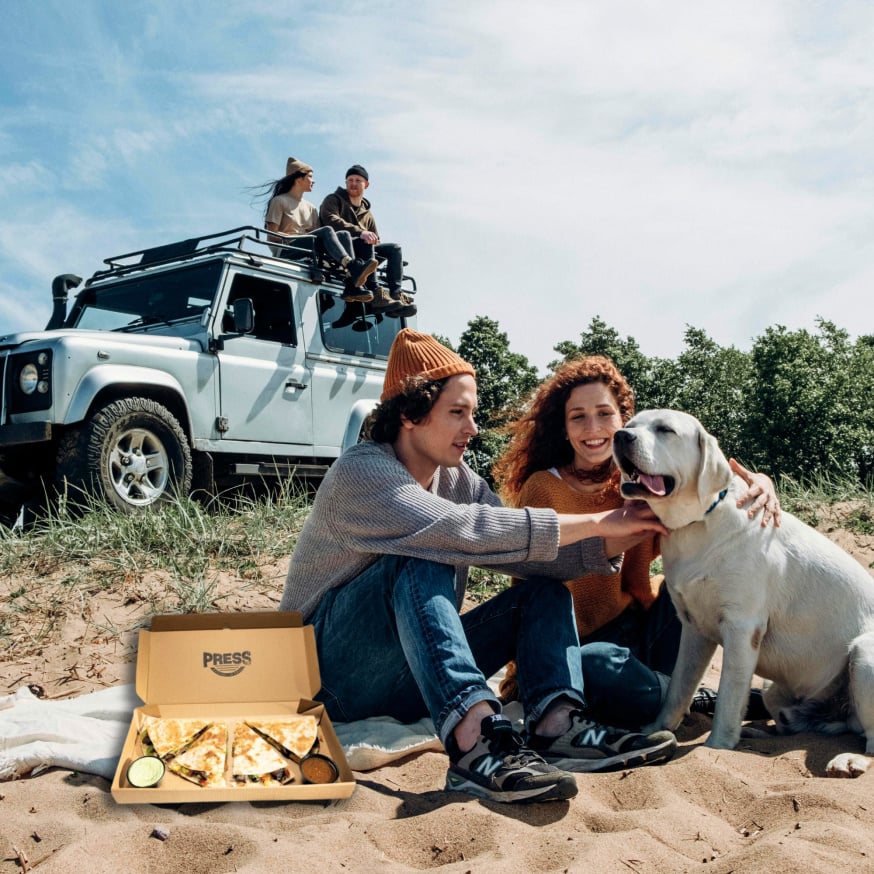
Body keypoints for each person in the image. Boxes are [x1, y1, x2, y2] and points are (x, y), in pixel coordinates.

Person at [279, 330, 678, 804]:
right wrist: (595, 521)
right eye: (457, 413)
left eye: (472, 413)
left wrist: (612, 538)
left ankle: (557, 725)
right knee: (421, 555)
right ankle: (475, 744)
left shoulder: (458, 479)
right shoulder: (362, 471)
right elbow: (460, 529)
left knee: (544, 588)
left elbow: (521, 549)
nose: (472, 428)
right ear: (409, 414)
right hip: (331, 680)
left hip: (410, 680)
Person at [493, 356, 780, 728]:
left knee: (688, 595)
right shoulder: (544, 487)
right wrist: (607, 528)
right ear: (563, 429)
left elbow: (709, 487)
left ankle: (667, 693)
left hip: (639, 635)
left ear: (624, 423)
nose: (593, 427)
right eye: (578, 417)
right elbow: (545, 571)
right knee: (596, 664)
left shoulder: (644, 482)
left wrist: (761, 481)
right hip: (571, 650)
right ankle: (691, 698)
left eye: (604, 414)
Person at [264, 157, 378, 303]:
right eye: (310, 177)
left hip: (309, 251)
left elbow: (320, 237)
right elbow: (271, 236)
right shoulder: (279, 201)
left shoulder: (310, 208)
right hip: (286, 250)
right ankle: (351, 266)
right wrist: (297, 238)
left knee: (342, 234)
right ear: (298, 180)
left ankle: (351, 283)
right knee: (327, 230)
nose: (313, 181)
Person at [319, 164, 417, 317]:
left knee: (394, 248)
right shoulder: (333, 199)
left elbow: (375, 239)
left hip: (363, 251)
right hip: (339, 248)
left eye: (358, 180)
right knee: (364, 240)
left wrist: (369, 238)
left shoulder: (367, 213)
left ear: (366, 184)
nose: (353, 183)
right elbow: (330, 220)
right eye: (350, 180)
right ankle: (376, 292)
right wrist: (360, 232)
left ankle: (396, 295)